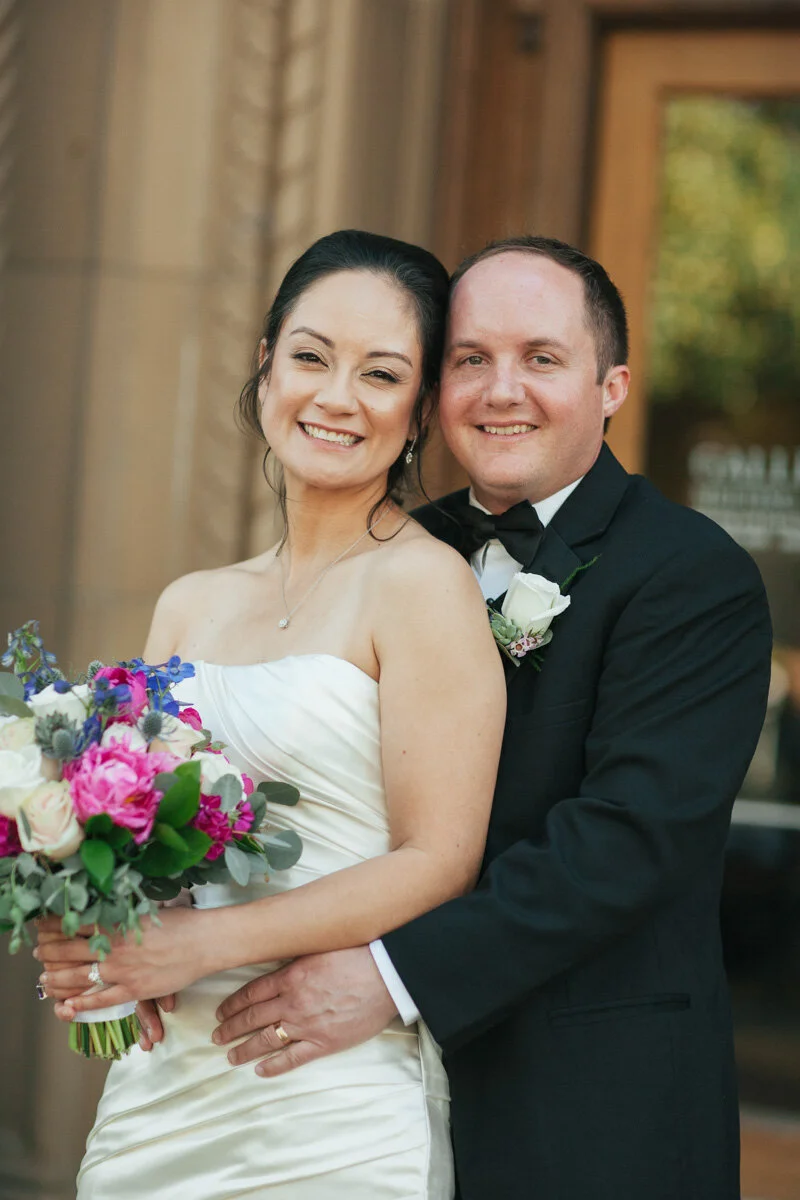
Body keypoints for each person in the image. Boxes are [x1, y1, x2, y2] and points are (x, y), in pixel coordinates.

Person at [134, 237, 771, 1200]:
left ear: (612, 387)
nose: (500, 390)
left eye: (541, 358)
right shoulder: (397, 550)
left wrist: (394, 975)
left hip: (585, 1106)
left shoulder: (690, 572)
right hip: (325, 1083)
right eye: (471, 359)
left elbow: (627, 842)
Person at [35, 229, 506, 1199]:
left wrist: (200, 946)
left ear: (419, 410)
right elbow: (132, 839)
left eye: (380, 374)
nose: (336, 397)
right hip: (160, 1098)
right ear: (265, 367)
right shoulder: (190, 603)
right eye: (310, 357)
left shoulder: (423, 586)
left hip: (327, 1098)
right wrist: (94, 934)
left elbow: (439, 859)